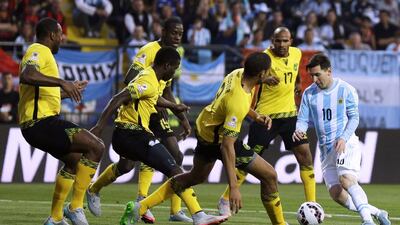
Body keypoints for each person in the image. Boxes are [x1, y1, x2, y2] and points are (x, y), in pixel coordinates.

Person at [124, 52, 289, 225]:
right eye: (268, 72)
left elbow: (232, 106)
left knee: (194, 178)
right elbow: (227, 146)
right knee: (270, 175)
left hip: (205, 128)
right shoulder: (238, 101)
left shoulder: (237, 73)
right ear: (261, 74)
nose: (271, 74)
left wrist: (255, 116)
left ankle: (139, 207)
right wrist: (233, 187)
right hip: (217, 140)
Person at [89, 46, 228, 225]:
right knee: (175, 169)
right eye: (175, 68)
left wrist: (174, 106)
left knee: (126, 167)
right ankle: (197, 215)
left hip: (130, 135)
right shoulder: (147, 78)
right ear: (167, 65)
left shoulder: (154, 80)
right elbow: (118, 98)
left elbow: (153, 96)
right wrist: (100, 126)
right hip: (131, 133)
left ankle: (106, 194)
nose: (176, 72)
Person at [86, 16, 192, 222]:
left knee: (176, 156)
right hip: (140, 109)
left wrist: (184, 120)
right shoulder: (148, 51)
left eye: (180, 33)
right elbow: (129, 80)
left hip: (156, 110)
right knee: (126, 166)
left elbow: (168, 90)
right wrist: (152, 96)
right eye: (174, 32)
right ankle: (95, 188)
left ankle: (170, 210)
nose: (178, 37)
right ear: (163, 31)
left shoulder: (172, 55)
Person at [218, 27, 316, 216]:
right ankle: (225, 197)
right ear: (272, 40)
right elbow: (246, 80)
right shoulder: (263, 59)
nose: (281, 44)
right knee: (248, 161)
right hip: (265, 118)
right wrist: (263, 80)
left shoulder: (297, 53)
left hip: (289, 115)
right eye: (278, 41)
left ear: (291, 41)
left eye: (285, 41)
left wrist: (297, 85)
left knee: (305, 155)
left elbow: (295, 72)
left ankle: (312, 205)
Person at [18, 18, 105, 225]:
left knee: (74, 161)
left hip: (39, 124)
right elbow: (27, 75)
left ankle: (55, 218)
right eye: (60, 33)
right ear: (52, 35)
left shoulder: (45, 55)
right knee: (96, 146)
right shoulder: (38, 49)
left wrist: (68, 90)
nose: (62, 37)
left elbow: (42, 92)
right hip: (40, 123)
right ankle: (75, 207)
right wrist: (62, 82)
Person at [293, 53, 391, 225]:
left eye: (318, 75)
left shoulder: (345, 89)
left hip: (345, 143)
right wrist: (299, 130)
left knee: (346, 179)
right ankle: (378, 212)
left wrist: (344, 138)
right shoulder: (309, 94)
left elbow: (354, 118)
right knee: (336, 194)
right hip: (325, 150)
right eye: (312, 75)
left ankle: (367, 221)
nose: (315, 79)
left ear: (328, 71)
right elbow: (302, 119)